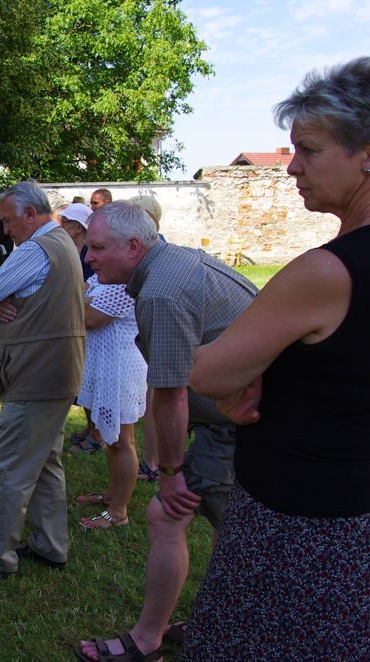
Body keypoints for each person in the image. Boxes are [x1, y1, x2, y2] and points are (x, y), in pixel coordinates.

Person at [181, 57, 370, 660]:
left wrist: (249, 373)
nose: (292, 167)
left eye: (309, 150)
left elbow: (209, 372)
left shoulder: (326, 270)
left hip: (307, 521)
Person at [76, 201, 257, 661]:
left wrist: (171, 471)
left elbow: (172, 393)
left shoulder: (161, 293)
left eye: (97, 248)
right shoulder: (171, 262)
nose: (89, 256)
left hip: (240, 424)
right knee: (233, 527)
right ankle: (220, 620)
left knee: (168, 516)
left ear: (133, 246)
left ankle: (147, 640)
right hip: (244, 418)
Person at [0, 180, 85, 578]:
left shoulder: (36, 249)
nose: (5, 229)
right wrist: (0, 299)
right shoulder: (61, 243)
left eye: (8, 221)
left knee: (10, 468)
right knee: (46, 463)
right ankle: (49, 545)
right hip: (55, 372)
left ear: (31, 214)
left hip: (37, 373)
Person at [73, 268, 147, 529]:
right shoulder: (102, 276)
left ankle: (118, 513)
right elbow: (77, 293)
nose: (92, 256)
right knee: (110, 438)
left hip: (120, 369)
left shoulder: (126, 280)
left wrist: (83, 301)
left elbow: (88, 317)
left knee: (122, 441)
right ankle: (111, 495)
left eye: (100, 246)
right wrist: (82, 299)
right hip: (105, 366)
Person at [127, 194, 165, 482]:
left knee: (157, 403)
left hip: (154, 336)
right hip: (143, 335)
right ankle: (153, 461)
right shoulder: (150, 249)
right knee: (153, 403)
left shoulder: (155, 252)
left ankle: (154, 464)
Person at [59, 203, 94, 280]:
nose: (60, 226)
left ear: (78, 228)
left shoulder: (90, 254)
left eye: (64, 222)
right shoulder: (66, 248)